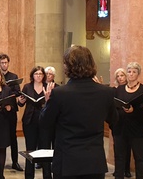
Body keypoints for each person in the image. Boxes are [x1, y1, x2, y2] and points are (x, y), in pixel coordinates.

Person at [40, 45, 118, 179]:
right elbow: (115, 123)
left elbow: (45, 123)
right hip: (94, 162)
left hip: (67, 162)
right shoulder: (106, 92)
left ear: (68, 66)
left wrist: (47, 104)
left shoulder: (59, 93)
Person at [112, 62, 143, 179]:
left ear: (138, 74)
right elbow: (114, 105)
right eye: (129, 71)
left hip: (137, 128)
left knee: (139, 158)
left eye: (134, 72)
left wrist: (133, 110)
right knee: (119, 157)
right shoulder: (119, 89)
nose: (131, 74)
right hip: (120, 128)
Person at [17, 66, 54, 179]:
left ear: (44, 76)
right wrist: (20, 101)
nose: (38, 76)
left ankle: (47, 176)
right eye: (36, 74)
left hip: (44, 122)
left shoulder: (47, 87)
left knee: (45, 150)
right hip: (30, 121)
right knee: (30, 150)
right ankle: (29, 176)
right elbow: (21, 104)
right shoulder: (27, 87)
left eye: (40, 74)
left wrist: (48, 100)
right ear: (32, 75)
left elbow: (53, 105)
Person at [0, 53, 23, 171]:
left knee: (13, 137)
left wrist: (10, 92)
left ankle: (15, 162)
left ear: (8, 63)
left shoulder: (13, 76)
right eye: (2, 63)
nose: (4, 64)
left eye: (6, 62)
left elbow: (18, 92)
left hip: (11, 110)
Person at [112, 68, 131, 178]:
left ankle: (127, 169)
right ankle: (118, 169)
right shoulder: (114, 90)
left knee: (128, 146)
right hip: (117, 121)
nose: (120, 78)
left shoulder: (129, 88)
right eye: (118, 76)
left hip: (128, 120)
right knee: (118, 147)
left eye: (122, 75)